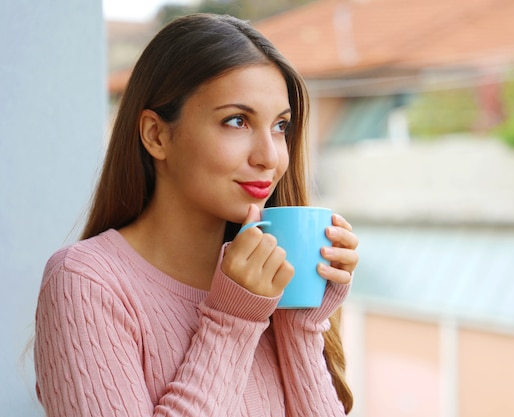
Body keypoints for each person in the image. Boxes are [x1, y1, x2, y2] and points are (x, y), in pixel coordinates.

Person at [33, 13, 359, 417]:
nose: (270, 157)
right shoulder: (85, 283)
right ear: (156, 135)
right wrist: (232, 319)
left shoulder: (273, 286)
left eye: (280, 126)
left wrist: (300, 321)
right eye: (237, 121)